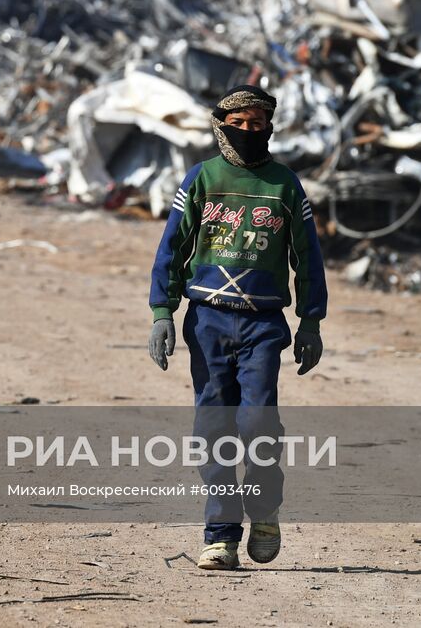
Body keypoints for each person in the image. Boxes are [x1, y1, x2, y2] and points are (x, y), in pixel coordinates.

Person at [147, 84, 327, 570]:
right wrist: (162, 313)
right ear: (221, 124)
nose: (249, 131)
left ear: (269, 127)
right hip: (206, 320)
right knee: (214, 428)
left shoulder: (285, 185)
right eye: (240, 123)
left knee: (257, 422)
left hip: (264, 323)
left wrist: (311, 320)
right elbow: (171, 249)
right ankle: (220, 535)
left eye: (258, 123)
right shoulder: (202, 179)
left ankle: (264, 512)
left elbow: (307, 257)